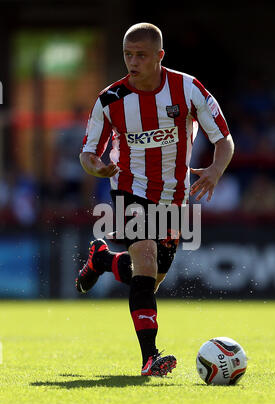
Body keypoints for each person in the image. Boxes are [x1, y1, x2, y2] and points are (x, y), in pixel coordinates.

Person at [75, 23, 234, 377]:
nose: (132, 62)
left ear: (160, 56)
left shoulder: (188, 89)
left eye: (141, 56)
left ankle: (102, 260)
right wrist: (98, 168)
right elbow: (88, 153)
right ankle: (150, 357)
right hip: (129, 189)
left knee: (148, 277)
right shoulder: (110, 100)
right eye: (128, 55)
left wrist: (215, 170)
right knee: (145, 265)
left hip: (173, 199)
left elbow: (224, 139)